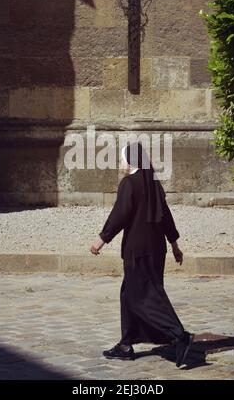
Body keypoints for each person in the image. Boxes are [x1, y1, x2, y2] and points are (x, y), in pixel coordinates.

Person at [90, 142, 193, 368]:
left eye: (122, 159)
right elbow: (166, 216)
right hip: (156, 251)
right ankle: (126, 344)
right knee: (130, 294)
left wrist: (102, 239)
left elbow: (120, 214)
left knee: (144, 297)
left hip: (137, 252)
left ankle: (179, 335)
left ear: (131, 161)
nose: (121, 163)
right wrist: (174, 245)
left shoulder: (129, 184)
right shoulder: (153, 183)